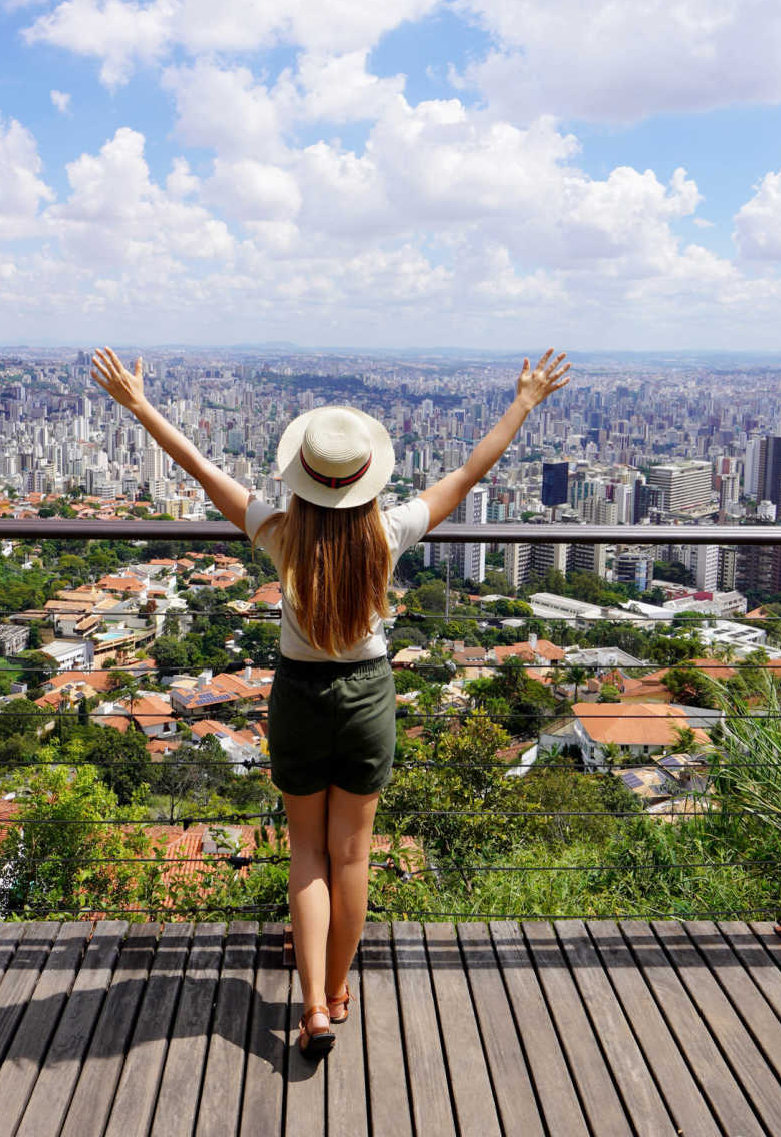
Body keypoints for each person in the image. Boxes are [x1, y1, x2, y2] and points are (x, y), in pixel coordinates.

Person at [89, 345, 570, 1058]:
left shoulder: (280, 536)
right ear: (365, 480)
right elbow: (471, 473)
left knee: (306, 855)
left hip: (298, 695)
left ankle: (313, 1005)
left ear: (304, 479)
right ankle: (338, 990)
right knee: (353, 858)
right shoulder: (389, 532)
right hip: (368, 696)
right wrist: (524, 402)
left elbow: (196, 466)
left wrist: (137, 404)